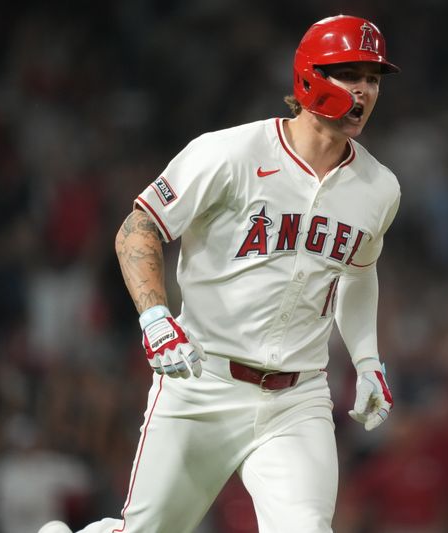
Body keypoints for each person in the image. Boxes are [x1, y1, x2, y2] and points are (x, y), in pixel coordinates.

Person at [39, 14, 400, 533]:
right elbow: (137, 227)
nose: (364, 90)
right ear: (309, 76)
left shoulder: (378, 186)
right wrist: (156, 318)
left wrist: (367, 360)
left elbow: (359, 273)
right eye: (351, 74)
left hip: (297, 399)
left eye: (373, 78)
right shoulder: (230, 153)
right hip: (203, 382)